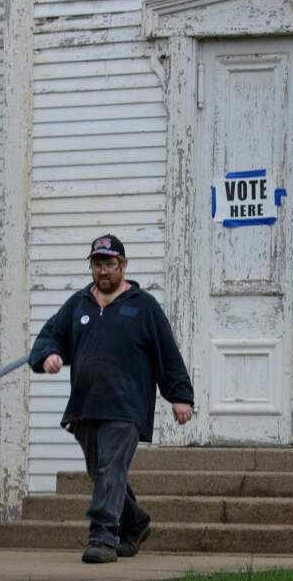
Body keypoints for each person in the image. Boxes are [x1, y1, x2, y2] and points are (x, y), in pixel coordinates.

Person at [29, 234, 195, 563]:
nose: (103, 271)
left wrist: (180, 396)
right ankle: (136, 524)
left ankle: (104, 538)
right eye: (97, 264)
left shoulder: (143, 306)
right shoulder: (78, 304)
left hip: (127, 407)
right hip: (86, 405)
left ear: (123, 266)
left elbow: (168, 354)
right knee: (102, 471)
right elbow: (48, 337)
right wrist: (47, 355)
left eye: (109, 264)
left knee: (110, 468)